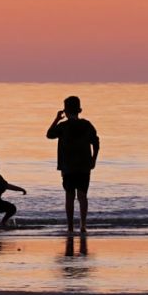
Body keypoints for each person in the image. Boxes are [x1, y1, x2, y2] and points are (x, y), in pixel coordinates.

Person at [47, 96, 100, 233]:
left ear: (65, 111)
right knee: (82, 196)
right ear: (80, 110)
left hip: (68, 167)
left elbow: (49, 134)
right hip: (84, 166)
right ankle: (83, 225)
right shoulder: (87, 125)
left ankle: (70, 226)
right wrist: (94, 159)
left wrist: (57, 119)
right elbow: (96, 142)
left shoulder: (63, 126)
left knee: (69, 196)